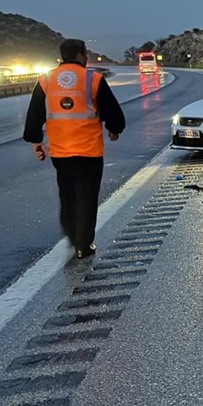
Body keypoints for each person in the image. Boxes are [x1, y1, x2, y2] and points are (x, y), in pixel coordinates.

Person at [24, 39, 126, 259]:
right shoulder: (93, 78)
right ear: (80, 55)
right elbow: (112, 111)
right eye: (85, 54)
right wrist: (114, 129)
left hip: (60, 152)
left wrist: (36, 141)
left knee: (68, 194)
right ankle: (84, 244)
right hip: (89, 151)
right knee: (87, 197)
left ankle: (71, 236)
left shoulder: (46, 80)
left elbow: (35, 114)